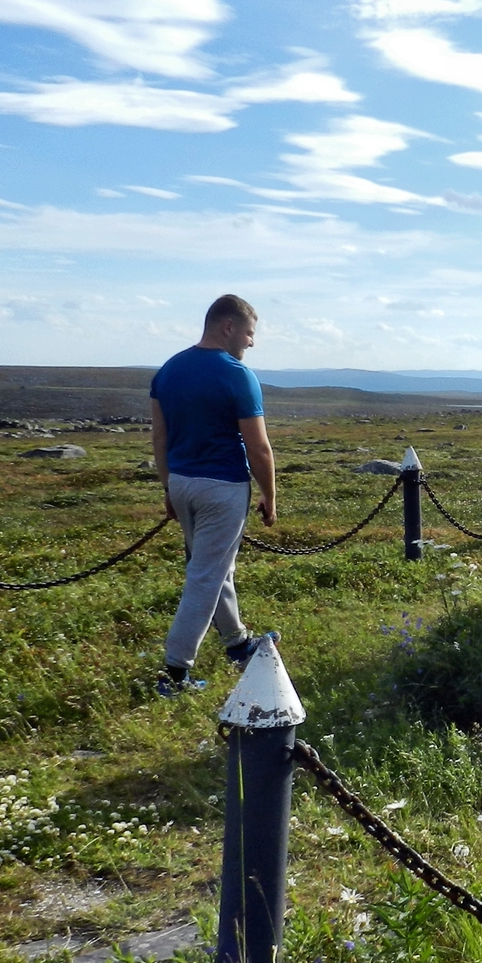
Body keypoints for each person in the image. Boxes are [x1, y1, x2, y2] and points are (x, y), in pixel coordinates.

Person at [149, 294, 277, 694]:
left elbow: (159, 437)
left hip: (183, 482)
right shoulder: (237, 375)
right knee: (205, 575)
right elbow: (258, 447)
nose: (251, 342)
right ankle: (174, 672)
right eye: (249, 333)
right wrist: (270, 495)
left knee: (215, 566)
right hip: (221, 487)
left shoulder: (168, 370)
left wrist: (169, 486)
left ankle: (238, 644)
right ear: (229, 327)